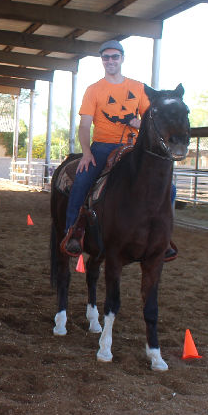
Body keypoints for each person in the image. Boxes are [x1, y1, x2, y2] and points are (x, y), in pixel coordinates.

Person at [60, 39, 175, 260]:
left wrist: (136, 123)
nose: (110, 60)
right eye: (106, 57)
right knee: (82, 180)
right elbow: (84, 125)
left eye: (115, 56)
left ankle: (164, 235)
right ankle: (72, 231)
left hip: (134, 147)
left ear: (122, 59)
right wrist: (86, 152)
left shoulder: (138, 88)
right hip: (102, 146)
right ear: (102, 60)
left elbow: (151, 122)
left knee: (169, 189)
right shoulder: (94, 90)